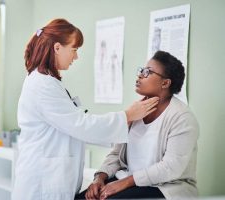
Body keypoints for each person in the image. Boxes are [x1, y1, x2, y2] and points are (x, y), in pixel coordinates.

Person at [11, 18, 159, 200]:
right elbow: (81, 125)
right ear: (57, 48)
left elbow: (75, 123)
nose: (76, 56)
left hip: (50, 179)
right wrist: (127, 115)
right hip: (41, 185)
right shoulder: (42, 85)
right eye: (74, 49)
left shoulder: (47, 81)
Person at [77, 51, 199, 200]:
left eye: (148, 72)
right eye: (142, 70)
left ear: (165, 83)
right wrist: (99, 178)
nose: (140, 75)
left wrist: (124, 183)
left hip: (164, 187)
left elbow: (171, 168)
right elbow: (116, 154)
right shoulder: (136, 112)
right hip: (131, 182)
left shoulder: (182, 118)